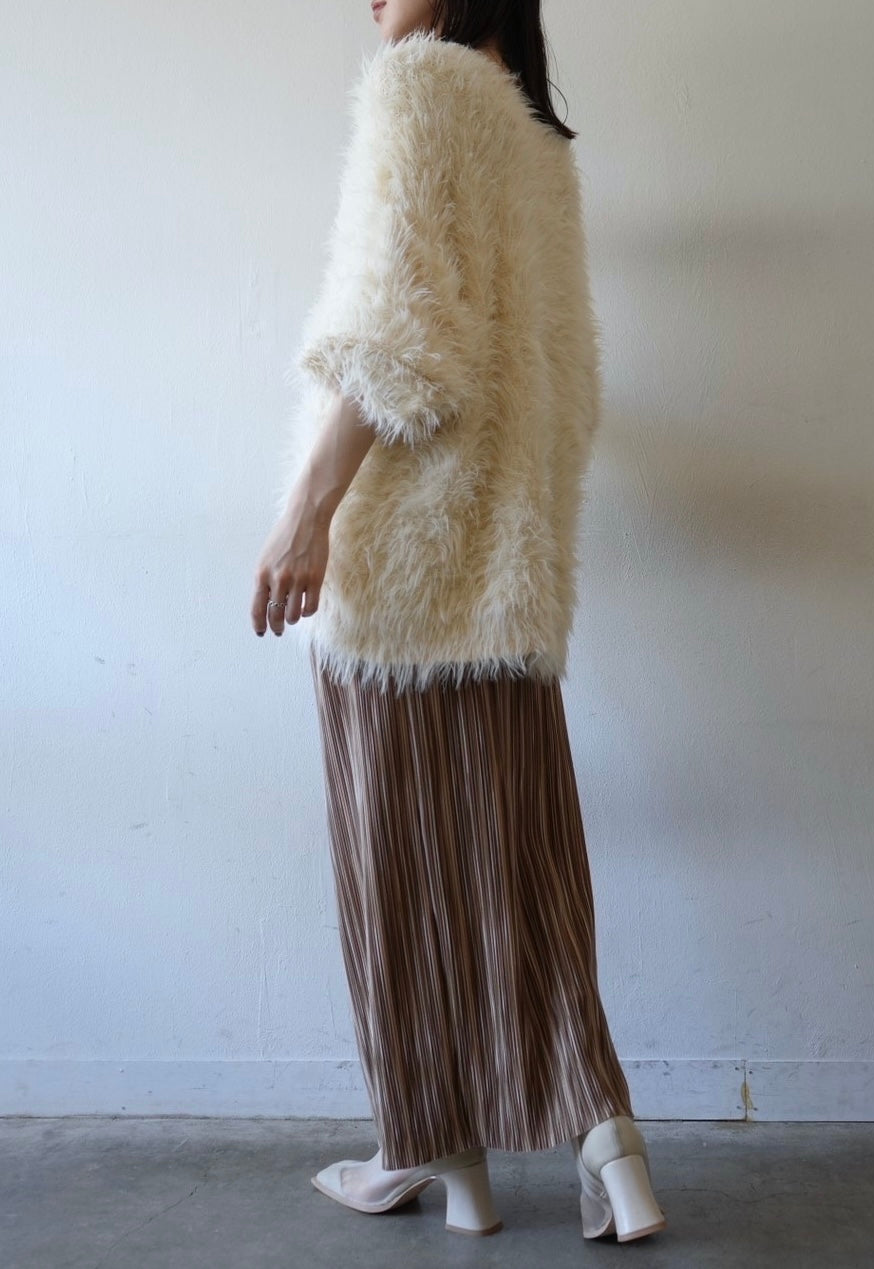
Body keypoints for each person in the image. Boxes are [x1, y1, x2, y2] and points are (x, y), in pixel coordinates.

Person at [250, 0, 667, 1245]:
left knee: (398, 870)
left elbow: (394, 336)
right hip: (508, 568)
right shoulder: (536, 142)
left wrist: (306, 517)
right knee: (520, 865)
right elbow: (566, 383)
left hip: (404, 562)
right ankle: (601, 1136)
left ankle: (424, 1146)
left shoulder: (418, 89)